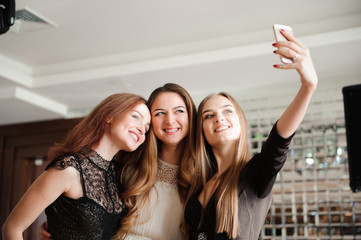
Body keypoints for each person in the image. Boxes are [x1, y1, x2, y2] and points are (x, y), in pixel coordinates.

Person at [184, 29, 318, 239]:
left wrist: (308, 86)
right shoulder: (199, 182)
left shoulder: (255, 174)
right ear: (201, 130)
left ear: (240, 122)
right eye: (208, 116)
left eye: (227, 111)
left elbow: (279, 141)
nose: (219, 118)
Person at [38, 83, 197, 240]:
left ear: (191, 116)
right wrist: (61, 225)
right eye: (159, 113)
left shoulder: (202, 175)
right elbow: (93, 215)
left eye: (179, 111)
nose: (170, 120)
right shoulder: (128, 165)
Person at [2, 93, 154, 240]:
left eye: (146, 129)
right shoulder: (68, 169)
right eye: (135, 117)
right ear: (109, 115)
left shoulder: (119, 176)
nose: (142, 129)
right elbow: (12, 228)